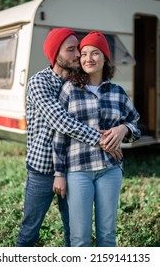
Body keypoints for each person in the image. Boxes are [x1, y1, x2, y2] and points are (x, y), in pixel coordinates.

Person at [16, 28, 122, 247]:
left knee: (73, 231)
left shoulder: (77, 82)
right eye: (72, 50)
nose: (78, 55)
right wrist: (103, 140)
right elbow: (61, 122)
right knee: (30, 230)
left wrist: (121, 129)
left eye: (79, 49)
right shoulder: (39, 83)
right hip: (42, 170)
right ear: (56, 54)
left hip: (73, 168)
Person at [52, 31, 141, 247]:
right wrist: (59, 173)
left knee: (107, 235)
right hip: (78, 170)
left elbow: (136, 124)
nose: (88, 58)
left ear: (105, 58)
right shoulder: (69, 90)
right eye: (83, 54)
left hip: (110, 170)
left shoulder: (117, 92)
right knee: (79, 237)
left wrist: (123, 129)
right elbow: (60, 135)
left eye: (95, 53)